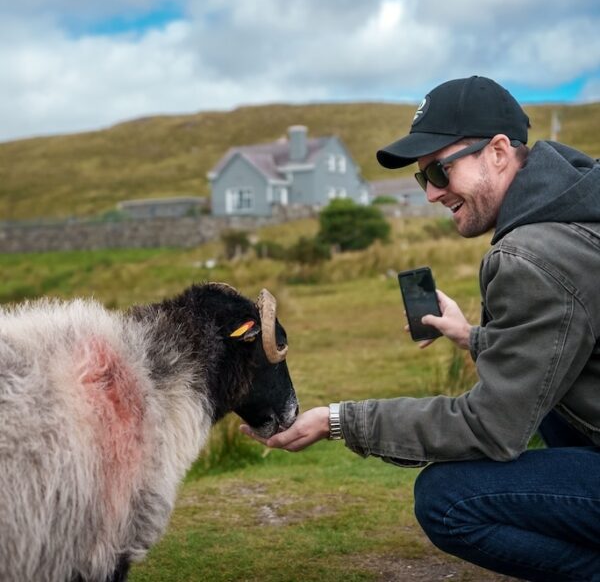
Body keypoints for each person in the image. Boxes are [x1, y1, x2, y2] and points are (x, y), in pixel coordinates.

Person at [241, 75, 600, 581]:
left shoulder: (532, 257)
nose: (431, 193)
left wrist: (338, 420)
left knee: (447, 499)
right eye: (421, 178)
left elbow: (490, 426)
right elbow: (560, 349)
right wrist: (471, 336)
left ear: (498, 152)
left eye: (439, 170)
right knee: (545, 403)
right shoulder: (581, 210)